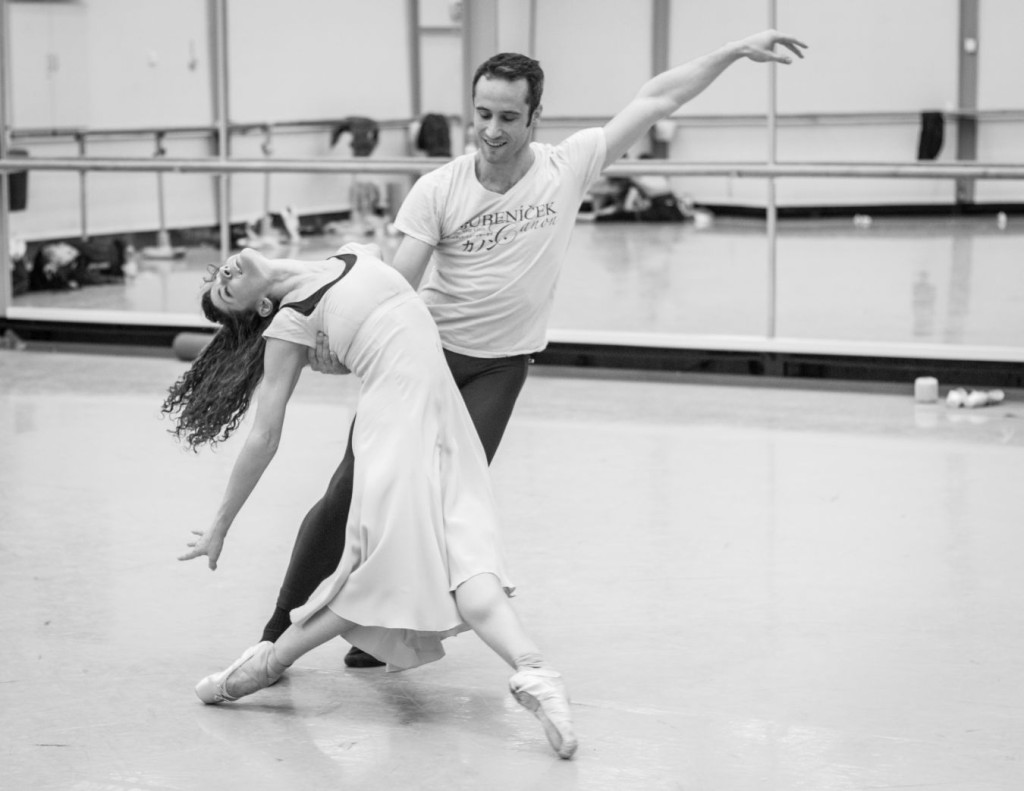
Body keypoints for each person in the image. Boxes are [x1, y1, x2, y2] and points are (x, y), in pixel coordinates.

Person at [261, 29, 809, 667]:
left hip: (500, 367)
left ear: (534, 117)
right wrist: (339, 341)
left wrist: (735, 51)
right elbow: (396, 286)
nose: (492, 131)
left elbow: (656, 98)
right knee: (349, 492)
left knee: (444, 511)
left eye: (508, 118)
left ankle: (388, 637)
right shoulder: (439, 189)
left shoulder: (566, 166)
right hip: (421, 361)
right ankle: (274, 631)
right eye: (483, 115)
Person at [162, 244, 578, 760]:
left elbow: (380, 292)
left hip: (446, 423)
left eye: (218, 275)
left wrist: (340, 350)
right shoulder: (290, 320)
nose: (225, 274)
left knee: (472, 564)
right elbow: (264, 435)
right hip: (395, 427)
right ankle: (260, 668)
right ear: (260, 309)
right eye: (226, 291)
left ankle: (537, 674)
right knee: (375, 575)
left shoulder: (349, 253)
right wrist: (220, 524)